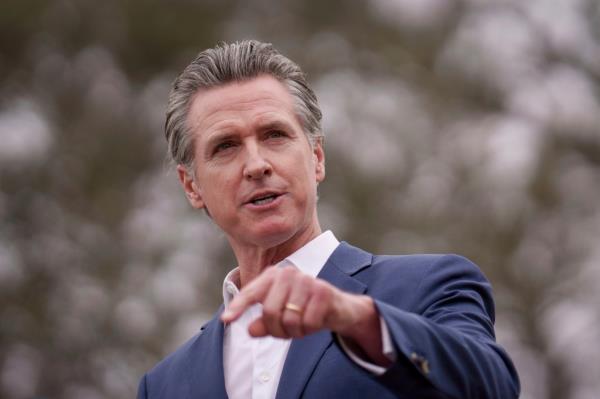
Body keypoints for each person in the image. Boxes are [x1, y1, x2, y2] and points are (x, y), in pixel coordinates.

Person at [137, 40, 520, 399]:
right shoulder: (164, 385)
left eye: (274, 135)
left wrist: (358, 320)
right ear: (192, 186)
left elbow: (493, 386)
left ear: (317, 157)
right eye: (226, 146)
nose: (256, 165)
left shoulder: (429, 287)